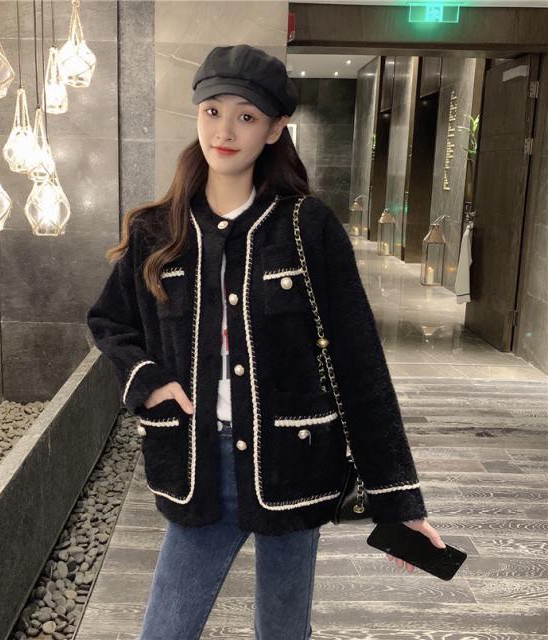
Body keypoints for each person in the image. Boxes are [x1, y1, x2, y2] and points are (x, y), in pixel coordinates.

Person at [86, 44, 446, 640]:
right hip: (198, 463)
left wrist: (399, 499)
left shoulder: (307, 227)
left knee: (282, 630)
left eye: (247, 116)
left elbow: (358, 363)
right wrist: (148, 383)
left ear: (276, 128)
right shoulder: (157, 230)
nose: (224, 131)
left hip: (293, 465)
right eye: (212, 111)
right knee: (165, 629)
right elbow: (110, 321)